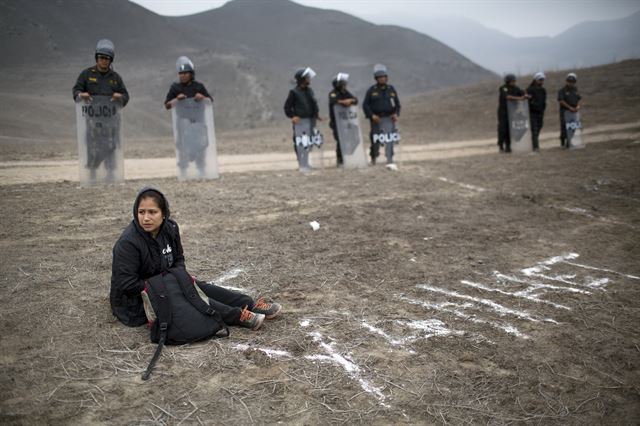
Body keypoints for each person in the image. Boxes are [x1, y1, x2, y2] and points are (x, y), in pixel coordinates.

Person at [110, 187, 282, 331]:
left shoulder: (170, 228)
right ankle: (238, 316)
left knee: (198, 286)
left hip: (167, 282)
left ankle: (248, 304)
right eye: (141, 212)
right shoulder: (128, 243)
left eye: (152, 212)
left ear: (164, 214)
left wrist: (177, 278)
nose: (146, 218)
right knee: (190, 296)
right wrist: (167, 284)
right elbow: (126, 284)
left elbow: (178, 259)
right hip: (138, 300)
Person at [72, 39, 129, 182]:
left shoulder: (115, 78)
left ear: (111, 61)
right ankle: (91, 174)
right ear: (97, 58)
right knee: (92, 146)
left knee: (110, 146)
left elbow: (126, 97)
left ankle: (110, 174)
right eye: (101, 58)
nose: (103, 61)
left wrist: (120, 97)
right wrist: (81, 95)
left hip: (111, 120)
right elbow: (76, 91)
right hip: (93, 119)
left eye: (107, 59)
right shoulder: (86, 74)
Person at [164, 56, 213, 177]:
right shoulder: (175, 88)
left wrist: (202, 98)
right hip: (182, 122)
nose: (182, 76)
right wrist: (176, 99)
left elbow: (210, 101)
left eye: (185, 73)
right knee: (182, 146)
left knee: (200, 145)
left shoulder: (199, 87)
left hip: (198, 122)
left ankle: (201, 170)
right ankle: (184, 171)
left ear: (191, 74)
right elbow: (167, 105)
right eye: (180, 73)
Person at [362, 64, 401, 166]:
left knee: (389, 139)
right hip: (376, 119)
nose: (382, 79)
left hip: (389, 118)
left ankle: (390, 159)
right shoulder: (372, 90)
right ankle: (374, 158)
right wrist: (372, 116)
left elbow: (397, 105)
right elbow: (365, 105)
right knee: (375, 139)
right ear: (376, 79)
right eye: (380, 77)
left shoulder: (391, 89)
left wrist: (396, 114)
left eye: (384, 77)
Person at [284, 67, 322, 168]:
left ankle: (306, 163)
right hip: (301, 122)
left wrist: (317, 113)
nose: (309, 79)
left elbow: (313, 103)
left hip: (311, 120)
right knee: (301, 142)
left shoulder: (309, 91)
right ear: (302, 79)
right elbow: (287, 107)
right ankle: (302, 163)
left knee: (310, 142)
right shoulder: (294, 92)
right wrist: (293, 116)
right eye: (307, 77)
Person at [328, 73, 358, 167]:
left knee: (354, 139)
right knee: (340, 141)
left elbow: (355, 100)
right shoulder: (333, 93)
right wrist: (342, 102)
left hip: (347, 121)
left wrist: (351, 101)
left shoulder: (345, 92)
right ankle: (340, 160)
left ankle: (350, 157)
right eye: (342, 83)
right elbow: (333, 101)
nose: (345, 84)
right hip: (336, 122)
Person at [496, 74, 528, 153]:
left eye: (514, 81)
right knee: (503, 129)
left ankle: (508, 146)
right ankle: (501, 146)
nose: (514, 82)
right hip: (503, 112)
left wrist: (525, 94)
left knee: (510, 129)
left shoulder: (516, 88)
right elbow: (507, 97)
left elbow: (522, 93)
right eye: (512, 81)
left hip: (512, 111)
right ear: (508, 81)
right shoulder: (503, 88)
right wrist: (520, 98)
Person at [557, 73, 582, 148]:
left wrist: (578, 106)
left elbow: (578, 99)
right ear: (566, 81)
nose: (570, 83)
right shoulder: (562, 91)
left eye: (572, 81)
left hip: (574, 111)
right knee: (564, 128)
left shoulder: (575, 90)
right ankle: (562, 142)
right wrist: (569, 107)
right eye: (569, 81)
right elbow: (561, 101)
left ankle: (569, 143)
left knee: (573, 127)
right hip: (565, 112)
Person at [527, 72, 547, 152]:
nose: (541, 81)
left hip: (540, 112)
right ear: (535, 80)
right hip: (532, 112)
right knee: (534, 129)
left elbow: (544, 101)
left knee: (539, 127)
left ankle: (534, 143)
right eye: (540, 80)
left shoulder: (543, 90)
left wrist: (543, 109)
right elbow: (528, 101)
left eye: (542, 80)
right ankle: (535, 146)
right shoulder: (530, 89)